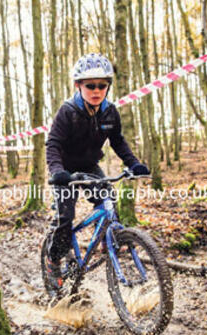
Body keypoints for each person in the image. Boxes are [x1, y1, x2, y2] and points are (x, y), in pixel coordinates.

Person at [45, 53, 149, 294]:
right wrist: (58, 171)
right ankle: (53, 260)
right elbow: (53, 145)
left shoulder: (110, 112)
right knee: (65, 217)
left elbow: (118, 142)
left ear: (108, 87)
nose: (96, 90)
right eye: (90, 85)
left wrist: (134, 164)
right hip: (66, 170)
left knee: (108, 199)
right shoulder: (67, 111)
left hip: (90, 166)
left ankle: (109, 239)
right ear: (78, 85)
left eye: (102, 85)